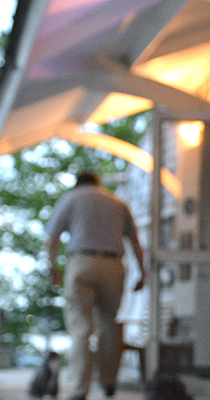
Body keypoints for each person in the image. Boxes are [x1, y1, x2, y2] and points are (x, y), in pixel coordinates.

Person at [46, 170, 145, 400]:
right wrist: (142, 271)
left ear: (77, 183)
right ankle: (109, 383)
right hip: (114, 265)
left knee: (81, 327)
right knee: (110, 325)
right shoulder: (118, 202)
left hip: (82, 262)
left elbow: (52, 239)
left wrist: (54, 269)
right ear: (98, 182)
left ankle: (80, 389)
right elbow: (134, 240)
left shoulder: (71, 199)